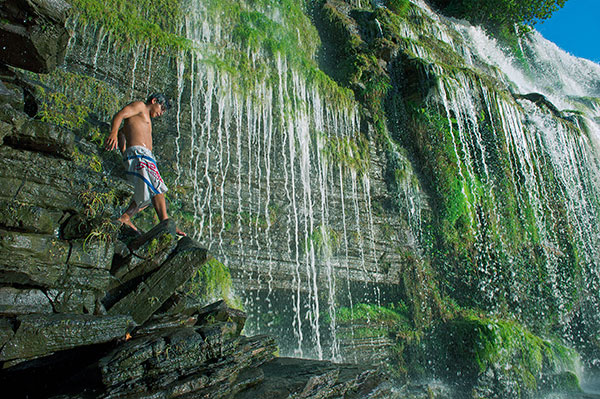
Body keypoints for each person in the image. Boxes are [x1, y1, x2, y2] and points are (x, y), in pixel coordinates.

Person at [105, 93, 185, 236]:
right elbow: (120, 115)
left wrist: (124, 152)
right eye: (162, 108)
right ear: (154, 101)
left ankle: (126, 217)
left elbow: (124, 132)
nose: (161, 113)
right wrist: (113, 133)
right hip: (140, 154)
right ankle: (165, 223)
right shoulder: (140, 106)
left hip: (145, 157)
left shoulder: (144, 118)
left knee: (148, 193)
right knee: (157, 188)